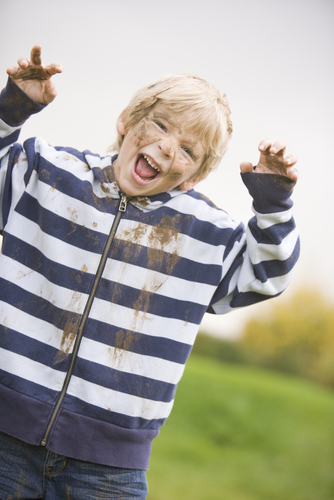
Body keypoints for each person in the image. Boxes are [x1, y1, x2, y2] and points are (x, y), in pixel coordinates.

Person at [0, 45, 299, 499]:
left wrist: (273, 203)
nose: (166, 146)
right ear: (127, 121)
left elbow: (268, 273)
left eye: (187, 149)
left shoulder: (207, 234)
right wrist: (12, 108)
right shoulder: (47, 173)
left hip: (108, 471)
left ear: (193, 176)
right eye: (160, 125)